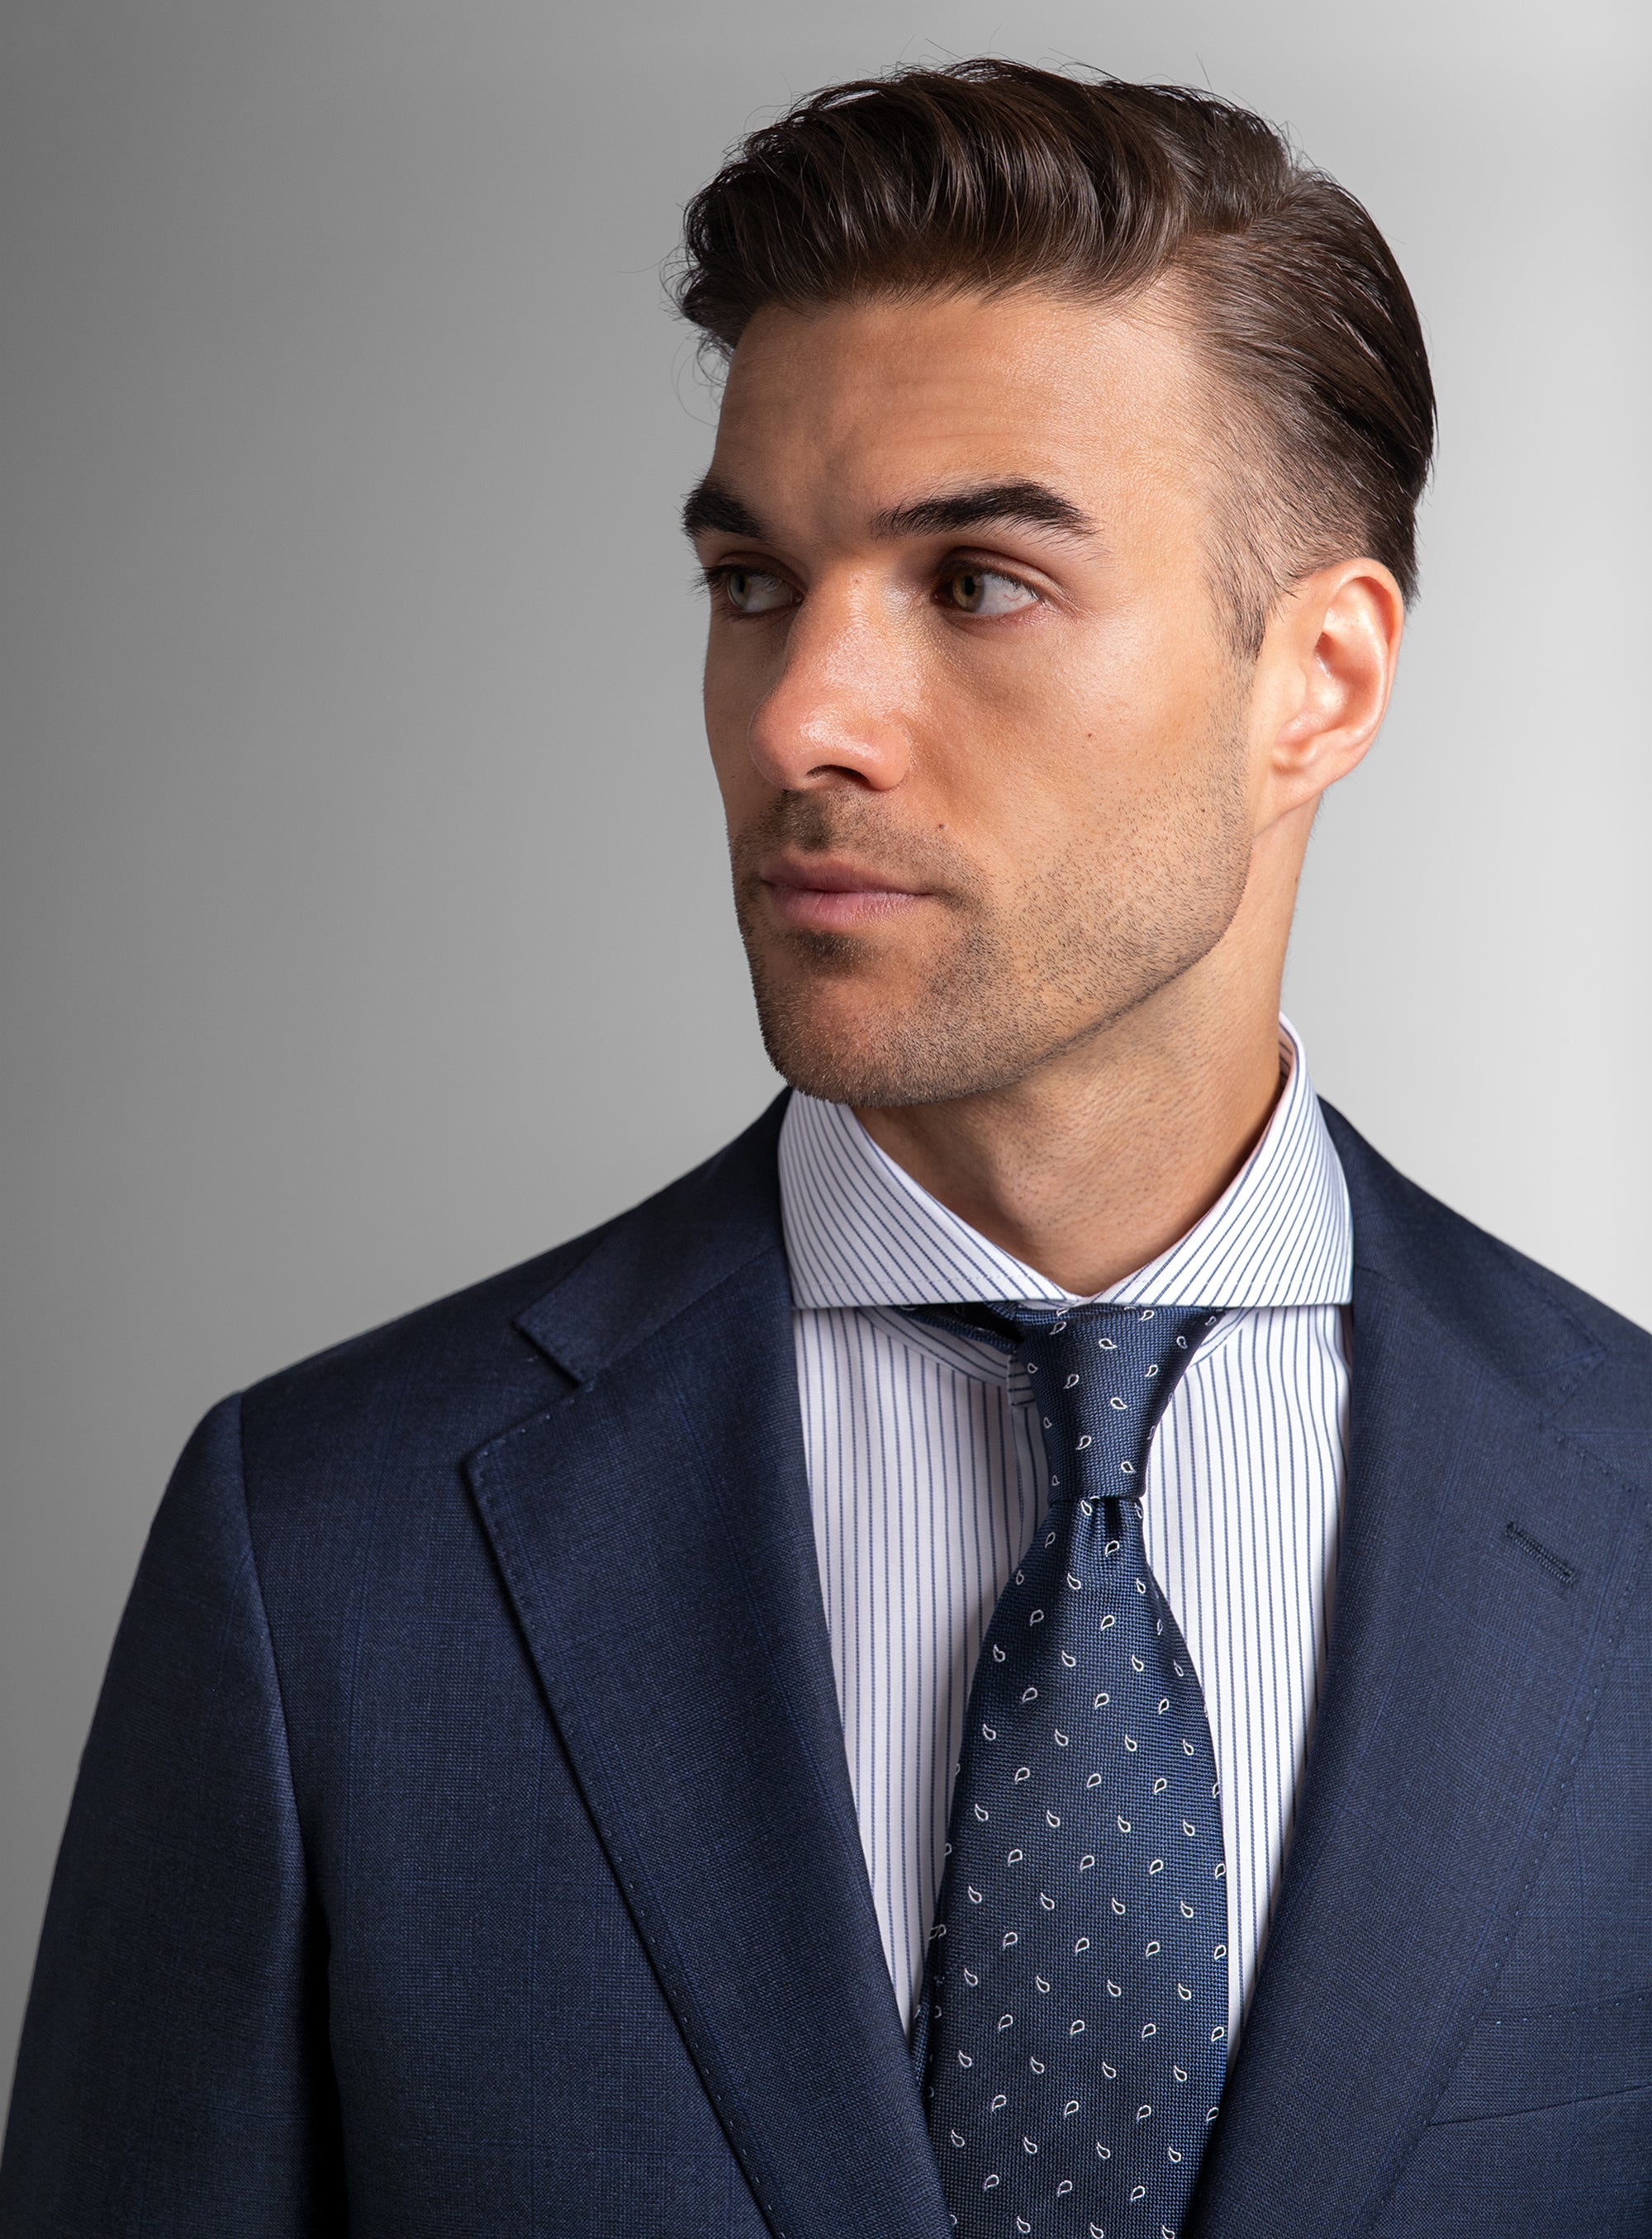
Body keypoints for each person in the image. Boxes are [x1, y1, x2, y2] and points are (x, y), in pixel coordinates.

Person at [2, 58, 1648, 2239]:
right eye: (755, 585)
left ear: (1318, 682)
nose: (798, 723)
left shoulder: (1626, 1530)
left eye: (976, 583)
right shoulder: (324, 1552)